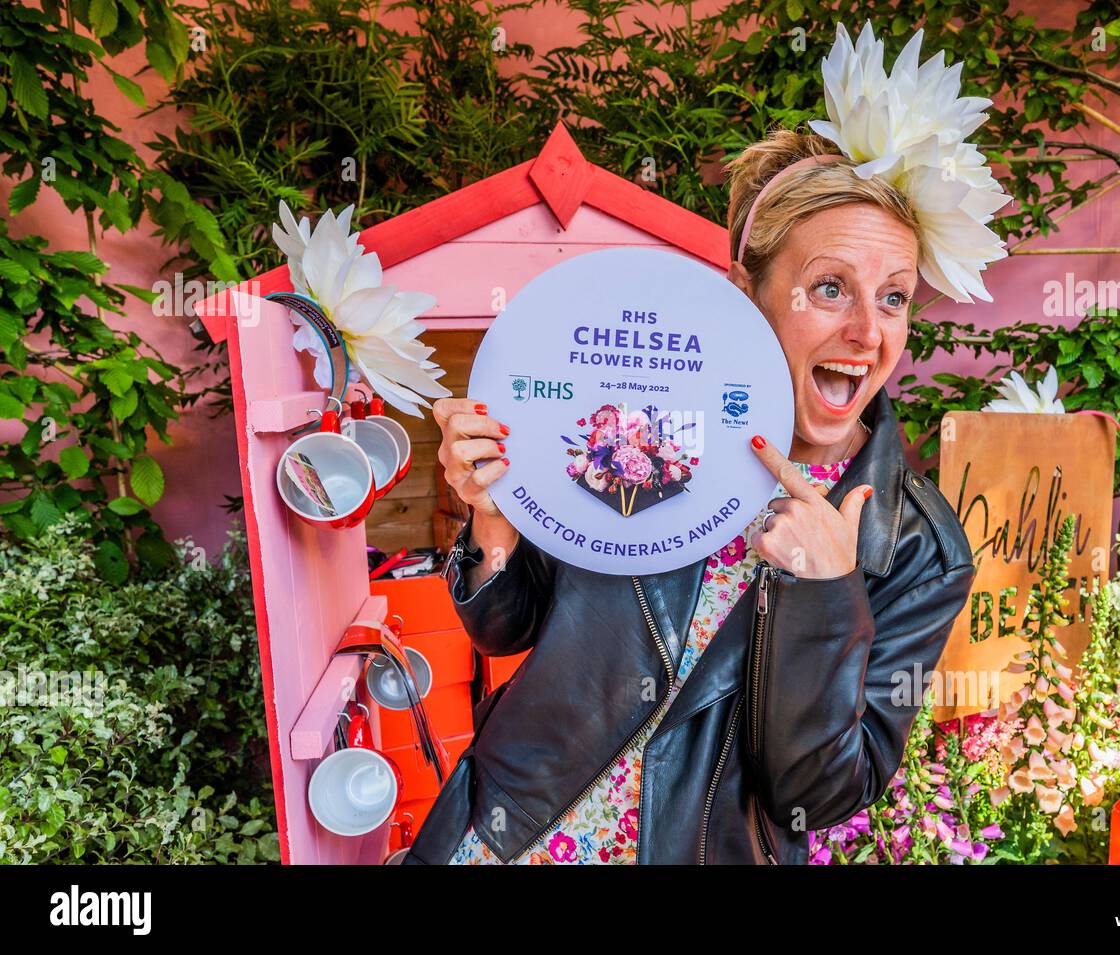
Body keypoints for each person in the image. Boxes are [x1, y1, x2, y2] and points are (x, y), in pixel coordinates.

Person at [404, 21, 1006, 865]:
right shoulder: (641, 420)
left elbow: (816, 796)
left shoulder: (915, 547)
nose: (868, 332)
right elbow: (510, 627)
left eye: (896, 297)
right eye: (829, 287)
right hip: (505, 832)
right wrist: (495, 525)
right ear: (744, 291)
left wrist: (826, 598)